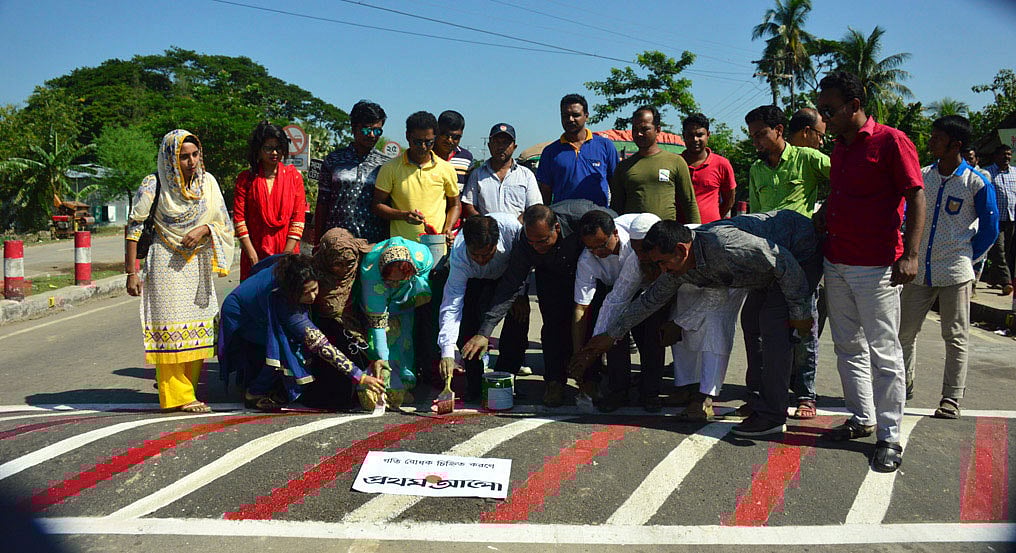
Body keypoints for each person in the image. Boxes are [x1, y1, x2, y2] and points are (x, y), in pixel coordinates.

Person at [575, 212, 821, 437]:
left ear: (681, 251)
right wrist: (611, 335)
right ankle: (760, 401)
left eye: (663, 263)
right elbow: (648, 301)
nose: (662, 270)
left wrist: (800, 311)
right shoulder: (678, 262)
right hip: (764, 271)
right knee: (752, 326)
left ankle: (772, 416)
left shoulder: (724, 247)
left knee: (774, 329)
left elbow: (783, 262)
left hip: (798, 253)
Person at [814, 70, 926, 473]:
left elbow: (916, 196)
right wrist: (826, 213)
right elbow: (842, 192)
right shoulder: (841, 148)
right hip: (837, 260)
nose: (824, 118)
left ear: (854, 106)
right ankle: (862, 418)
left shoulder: (892, 141)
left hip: (876, 267)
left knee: (884, 352)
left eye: (829, 110)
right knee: (847, 348)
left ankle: (890, 435)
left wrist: (910, 255)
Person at [461, 201, 614, 407]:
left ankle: (589, 379)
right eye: (531, 242)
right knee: (552, 325)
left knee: (590, 322)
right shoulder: (526, 243)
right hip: (550, 276)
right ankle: (554, 381)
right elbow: (509, 287)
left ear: (557, 228)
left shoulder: (579, 216)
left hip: (588, 272)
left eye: (542, 241)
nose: (537, 247)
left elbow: (615, 223)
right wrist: (485, 332)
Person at [124, 129, 235, 413]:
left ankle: (187, 388)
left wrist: (204, 229)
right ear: (170, 158)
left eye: (195, 155)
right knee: (170, 327)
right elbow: (134, 227)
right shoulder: (154, 184)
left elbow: (224, 223)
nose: (191, 161)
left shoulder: (207, 183)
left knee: (197, 327)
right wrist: (131, 272)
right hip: (165, 262)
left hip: (197, 263)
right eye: (184, 156)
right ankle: (179, 395)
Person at [898, 115, 998, 419]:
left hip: (955, 271)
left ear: (955, 144)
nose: (930, 142)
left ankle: (951, 397)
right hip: (919, 270)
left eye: (936, 138)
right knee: (903, 332)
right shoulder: (922, 176)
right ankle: (903, 385)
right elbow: (905, 215)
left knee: (955, 336)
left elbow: (990, 228)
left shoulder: (975, 182)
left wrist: (968, 256)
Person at [745, 104, 830, 419]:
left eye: (761, 134)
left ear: (779, 130)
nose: (756, 142)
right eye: (752, 136)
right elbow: (754, 216)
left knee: (802, 324)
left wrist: (825, 211)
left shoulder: (807, 159)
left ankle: (806, 394)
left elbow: (847, 179)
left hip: (803, 257)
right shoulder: (756, 170)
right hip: (766, 258)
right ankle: (758, 392)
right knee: (754, 323)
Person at [218, 254, 386, 411]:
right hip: (243, 314)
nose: (313, 297)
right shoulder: (284, 301)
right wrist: (359, 376)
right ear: (293, 292)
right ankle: (254, 393)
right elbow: (320, 343)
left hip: (256, 302)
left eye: (315, 289)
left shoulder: (300, 269)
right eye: (306, 293)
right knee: (282, 348)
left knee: (286, 344)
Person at [576, 212, 671, 413]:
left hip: (649, 288)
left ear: (616, 234)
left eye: (601, 246)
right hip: (615, 293)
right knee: (611, 335)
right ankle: (619, 390)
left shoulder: (635, 243)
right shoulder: (587, 259)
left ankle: (650, 392)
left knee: (652, 337)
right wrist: (589, 348)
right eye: (590, 248)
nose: (596, 252)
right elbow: (587, 305)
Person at [437, 214, 527, 400]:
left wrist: (521, 293)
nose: (480, 259)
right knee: (469, 329)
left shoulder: (513, 231)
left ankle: (506, 378)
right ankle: (475, 384)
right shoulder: (460, 255)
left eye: (487, 254)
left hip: (510, 277)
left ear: (497, 242)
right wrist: (447, 351)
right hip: (474, 281)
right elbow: (452, 304)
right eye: (475, 255)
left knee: (519, 318)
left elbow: (523, 264)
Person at [358, 237, 434, 408]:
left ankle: (405, 382)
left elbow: (423, 281)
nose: (394, 284)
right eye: (391, 281)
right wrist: (382, 360)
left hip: (407, 300)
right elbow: (378, 327)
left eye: (399, 280)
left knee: (404, 340)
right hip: (379, 300)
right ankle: (384, 383)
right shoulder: (371, 276)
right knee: (381, 341)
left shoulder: (422, 258)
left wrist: (411, 287)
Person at [304, 227, 375, 410]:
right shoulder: (313, 271)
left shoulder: (364, 262)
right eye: (338, 264)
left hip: (356, 326)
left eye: (348, 263)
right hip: (323, 332)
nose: (344, 269)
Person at [373, 111, 460, 246]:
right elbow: (377, 205)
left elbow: (455, 204)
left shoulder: (446, 169)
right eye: (418, 142)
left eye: (429, 142)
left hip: (435, 247)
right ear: (408, 136)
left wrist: (447, 229)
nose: (423, 147)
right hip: (401, 249)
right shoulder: (390, 168)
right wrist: (403, 216)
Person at [233, 121, 307, 281]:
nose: (274, 152)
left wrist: (286, 257)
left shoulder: (294, 177)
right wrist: (252, 255)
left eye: (278, 148)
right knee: (254, 302)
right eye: (268, 148)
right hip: (254, 256)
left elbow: (298, 219)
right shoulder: (246, 179)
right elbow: (239, 220)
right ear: (258, 150)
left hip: (287, 256)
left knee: (286, 301)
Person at [315, 100, 391, 244]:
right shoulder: (334, 160)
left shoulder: (386, 165)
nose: (372, 135)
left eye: (377, 131)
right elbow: (322, 203)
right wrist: (318, 242)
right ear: (353, 128)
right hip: (336, 243)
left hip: (372, 244)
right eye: (366, 130)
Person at [610, 106, 700, 224]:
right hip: (633, 237)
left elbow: (689, 202)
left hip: (666, 236)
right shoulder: (623, 167)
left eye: (645, 129)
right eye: (635, 129)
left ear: (657, 130)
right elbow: (616, 206)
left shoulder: (676, 161)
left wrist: (696, 232)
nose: (639, 134)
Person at [537, 93, 619, 206]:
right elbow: (545, 191)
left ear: (586, 116)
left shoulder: (605, 146)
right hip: (563, 218)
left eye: (576, 115)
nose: (570, 119)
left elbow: (617, 185)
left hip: (597, 216)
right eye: (565, 115)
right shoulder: (550, 152)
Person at [461, 123, 542, 218]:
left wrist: (518, 223)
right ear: (489, 145)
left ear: (514, 147)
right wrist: (483, 224)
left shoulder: (526, 175)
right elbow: (469, 205)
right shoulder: (477, 174)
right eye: (496, 142)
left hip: (519, 231)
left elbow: (534, 207)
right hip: (486, 231)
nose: (501, 147)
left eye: (506, 143)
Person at [681, 113, 737, 223]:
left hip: (710, 230)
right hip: (680, 230)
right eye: (690, 135)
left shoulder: (722, 164)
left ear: (708, 135)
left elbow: (729, 199)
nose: (695, 139)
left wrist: (714, 219)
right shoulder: (676, 163)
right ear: (684, 136)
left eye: (699, 135)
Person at [985, 145, 1016, 295]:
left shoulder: (1015, 173)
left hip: (1012, 218)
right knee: (999, 250)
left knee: (1008, 251)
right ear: (996, 156)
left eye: (1009, 155)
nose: (1007, 157)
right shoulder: (988, 173)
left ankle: (993, 278)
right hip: (995, 220)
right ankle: (1006, 282)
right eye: (1003, 154)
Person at [433, 110, 474, 192]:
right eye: (445, 135)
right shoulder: (425, 155)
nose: (450, 140)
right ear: (437, 131)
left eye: (456, 137)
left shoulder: (466, 159)